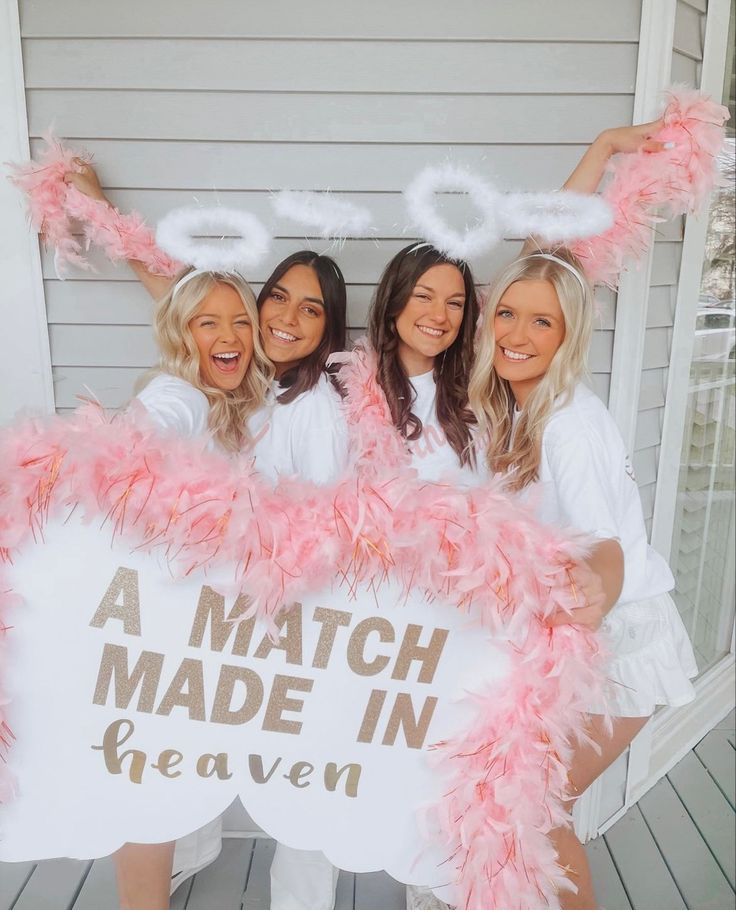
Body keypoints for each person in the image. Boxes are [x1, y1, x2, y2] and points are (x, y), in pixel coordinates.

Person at [467, 247, 697, 910]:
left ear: (569, 333)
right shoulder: (519, 401)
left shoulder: (569, 424)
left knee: (534, 811)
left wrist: (595, 587)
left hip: (619, 648)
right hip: (567, 642)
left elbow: (605, 546)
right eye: (507, 314)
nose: (517, 333)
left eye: (542, 322)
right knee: (516, 805)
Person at [114, 265, 272, 910]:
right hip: (160, 627)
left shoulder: (228, 398)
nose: (228, 334)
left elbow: (191, 305)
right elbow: (139, 441)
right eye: (208, 323)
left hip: (210, 629)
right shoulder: (176, 397)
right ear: (182, 334)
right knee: (152, 789)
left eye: (242, 321)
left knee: (181, 784)